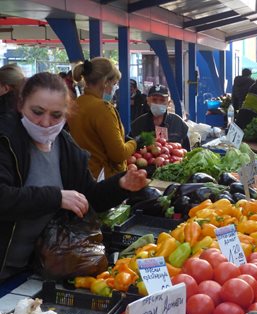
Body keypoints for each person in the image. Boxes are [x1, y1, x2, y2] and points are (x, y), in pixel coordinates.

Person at [0, 72, 149, 281]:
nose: (45, 122)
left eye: (56, 115)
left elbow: (88, 197)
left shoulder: (66, 147)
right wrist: (56, 197)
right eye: (37, 111)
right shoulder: (5, 139)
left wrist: (121, 184)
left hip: (29, 269)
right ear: (20, 104)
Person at [68, 58, 138, 180]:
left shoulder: (77, 103)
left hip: (81, 175)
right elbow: (118, 154)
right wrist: (135, 142)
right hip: (103, 179)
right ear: (106, 82)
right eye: (114, 83)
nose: (115, 88)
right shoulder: (103, 109)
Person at [131, 84, 190, 151]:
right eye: (154, 100)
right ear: (148, 101)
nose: (158, 103)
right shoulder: (138, 124)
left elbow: (187, 150)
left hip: (175, 161)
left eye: (162, 100)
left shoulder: (177, 122)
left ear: (168, 102)